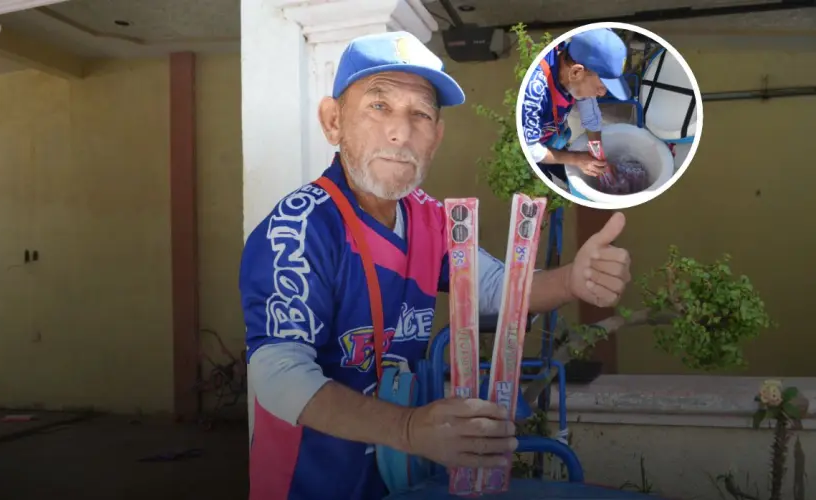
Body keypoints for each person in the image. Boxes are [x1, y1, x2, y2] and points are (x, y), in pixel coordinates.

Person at [240, 30, 632, 500]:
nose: (400, 132)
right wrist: (409, 429)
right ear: (333, 122)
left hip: (397, 481)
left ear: (437, 136)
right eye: (378, 106)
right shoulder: (299, 229)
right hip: (306, 485)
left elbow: (498, 289)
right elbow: (278, 375)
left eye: (420, 114)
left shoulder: (433, 219)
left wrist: (572, 279)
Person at [520, 28, 631, 186]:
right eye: (602, 86)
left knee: (570, 178)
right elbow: (530, 149)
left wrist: (599, 159)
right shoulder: (533, 92)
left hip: (555, 140)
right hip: (532, 149)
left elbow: (590, 117)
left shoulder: (572, 68)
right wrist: (577, 159)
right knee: (544, 194)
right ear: (576, 73)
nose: (602, 93)